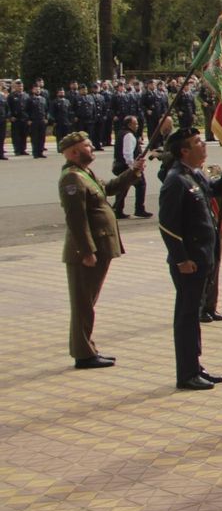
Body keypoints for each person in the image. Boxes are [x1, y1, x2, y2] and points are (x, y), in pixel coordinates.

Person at [158, 128, 222, 390]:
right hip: (190, 262)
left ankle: (195, 366)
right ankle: (186, 373)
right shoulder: (176, 181)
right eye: (197, 142)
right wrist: (181, 259)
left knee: (193, 316)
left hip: (204, 257)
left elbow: (217, 189)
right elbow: (167, 226)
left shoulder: (194, 174)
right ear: (184, 151)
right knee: (186, 318)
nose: (203, 145)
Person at [57, 130, 146, 368]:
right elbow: (76, 219)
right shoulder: (72, 178)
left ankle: (87, 348)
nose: (92, 148)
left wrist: (134, 171)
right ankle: (83, 355)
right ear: (74, 152)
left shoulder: (85, 173)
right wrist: (87, 251)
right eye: (87, 146)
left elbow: (109, 188)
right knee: (83, 304)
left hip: (98, 247)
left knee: (87, 302)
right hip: (86, 252)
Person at [112, 115, 152, 218]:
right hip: (128, 166)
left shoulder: (121, 133)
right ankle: (139, 209)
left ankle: (117, 209)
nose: (137, 126)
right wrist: (132, 167)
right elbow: (127, 153)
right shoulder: (128, 135)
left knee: (123, 187)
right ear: (129, 124)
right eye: (136, 123)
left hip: (121, 165)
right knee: (141, 185)